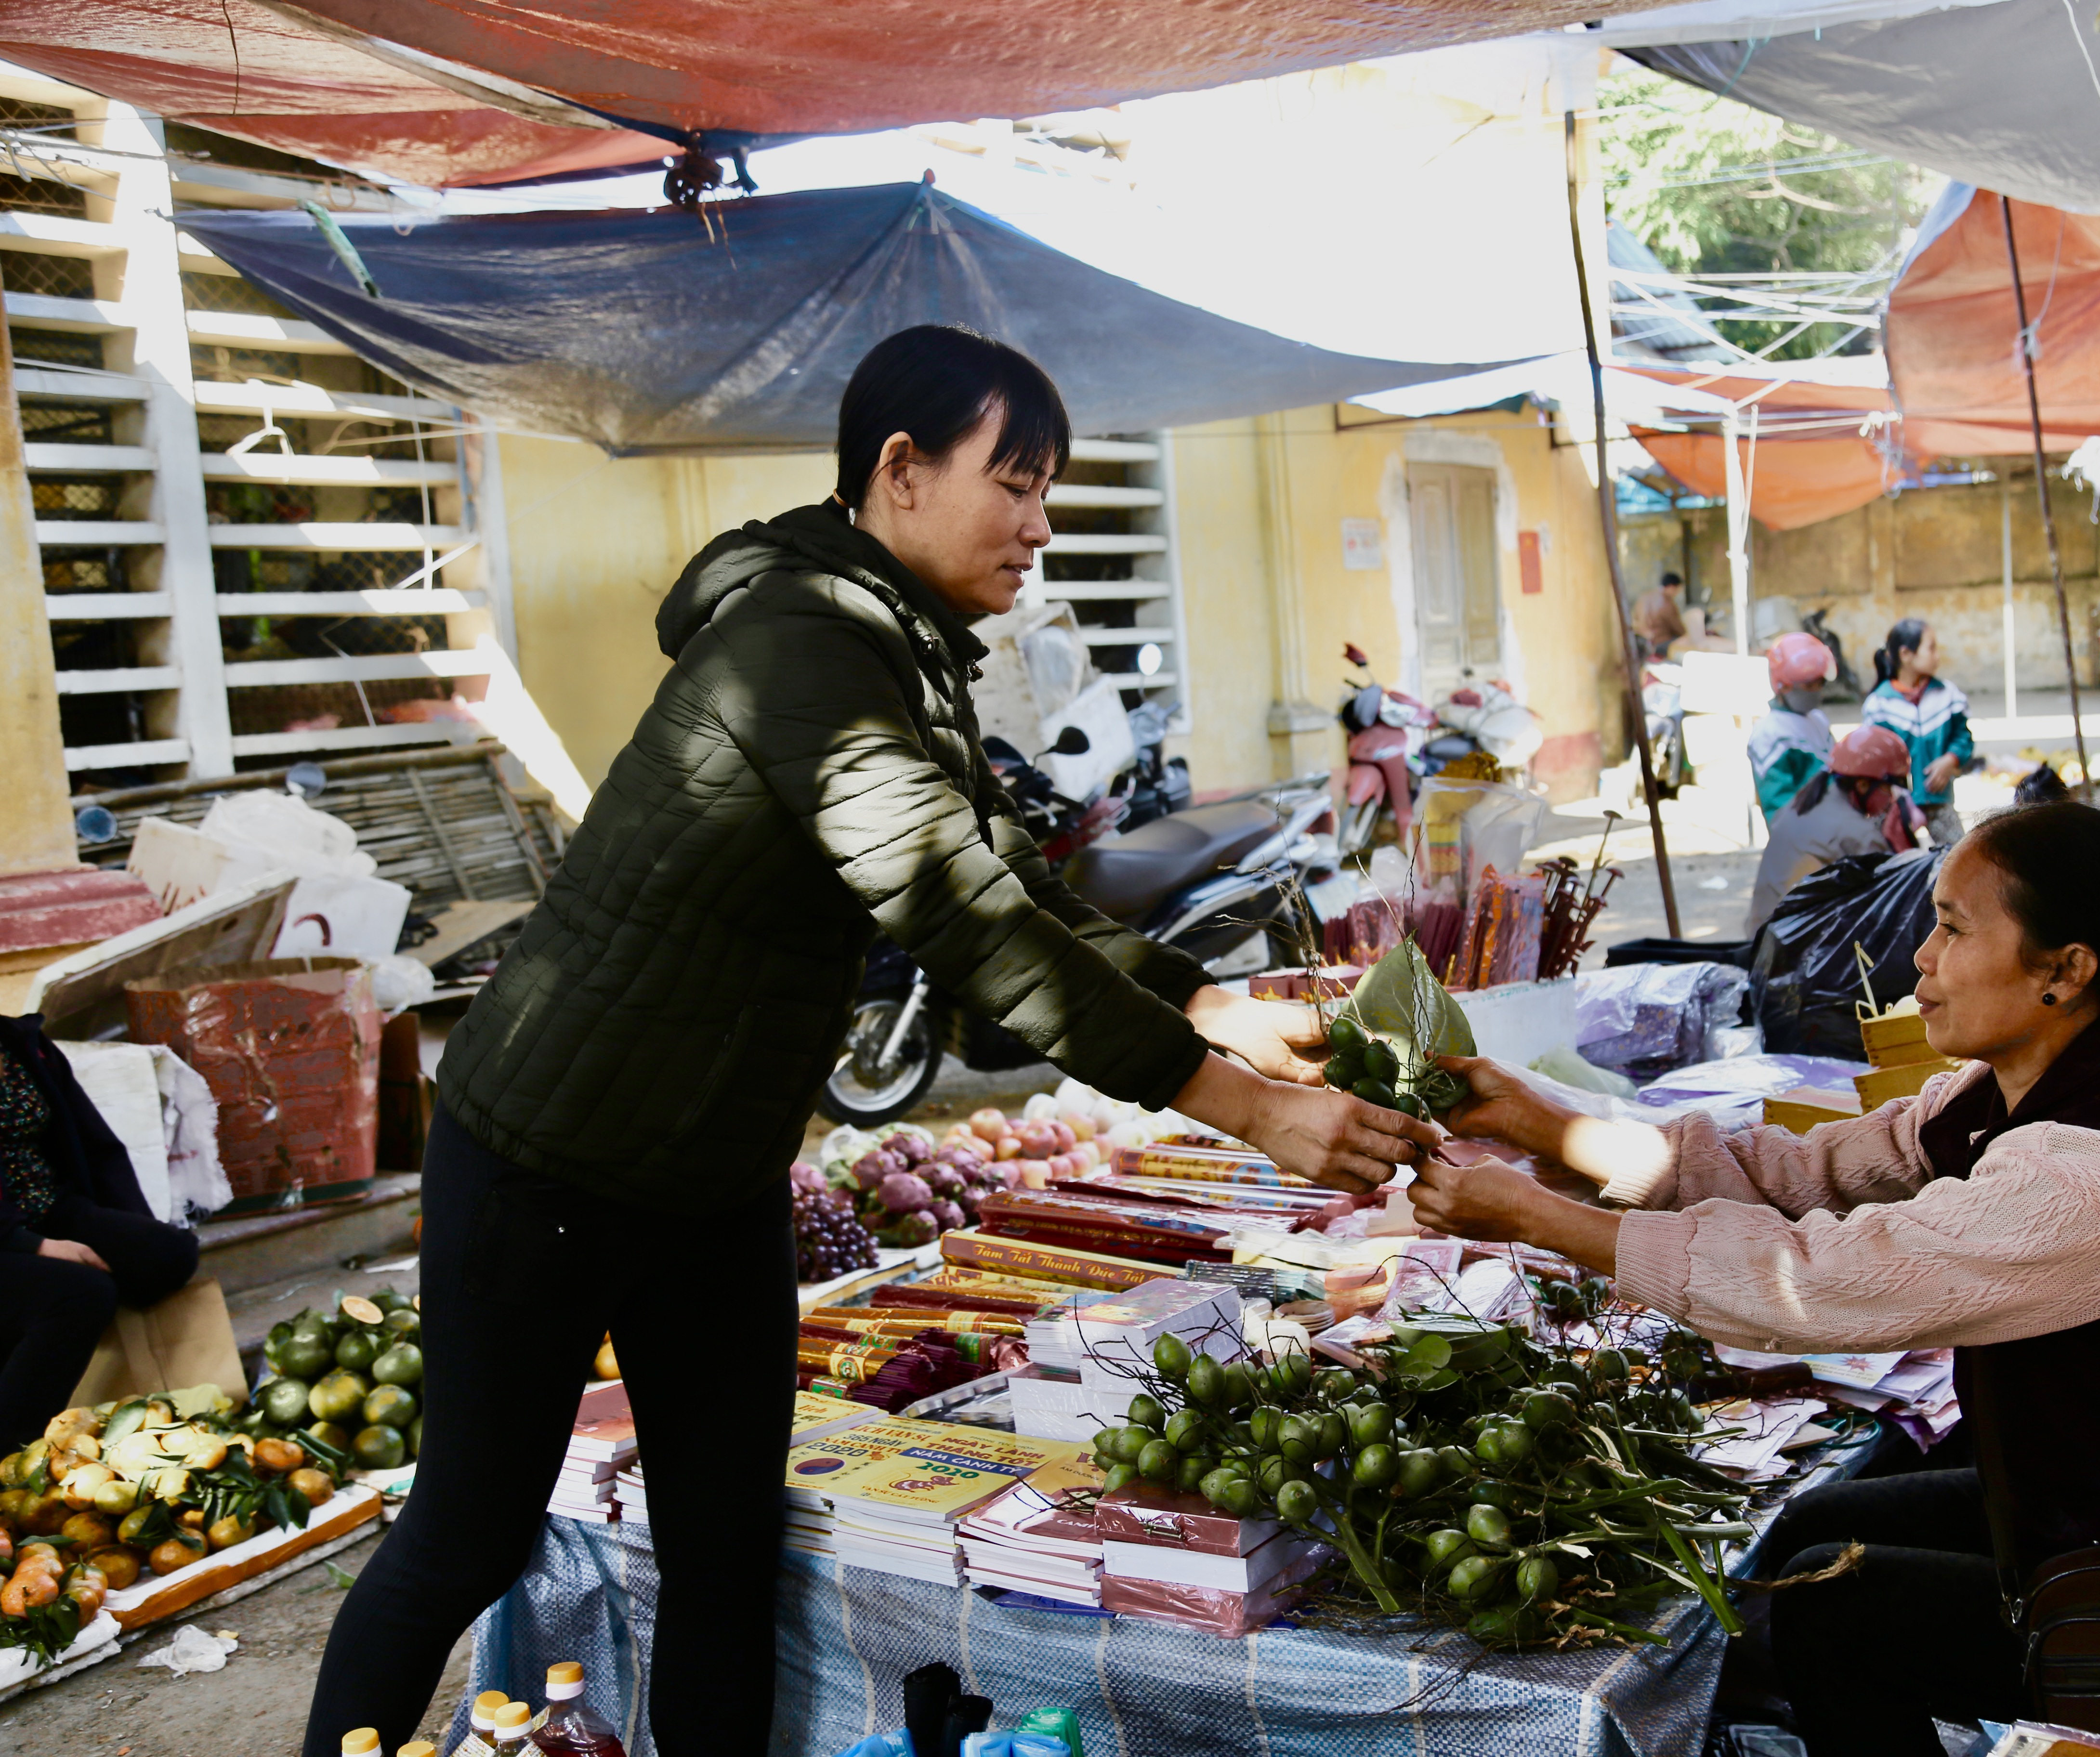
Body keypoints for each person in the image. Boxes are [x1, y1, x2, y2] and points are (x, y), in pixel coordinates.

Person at [300, 326, 1437, 1757]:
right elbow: (962, 920)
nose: (1039, 524)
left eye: (1051, 491)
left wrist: (1213, 1008)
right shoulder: (799, 651)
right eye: (1014, 483)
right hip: (549, 1167)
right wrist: (1238, 1106)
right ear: (899, 473)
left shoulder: (900, 651)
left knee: (724, 1550)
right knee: (465, 1535)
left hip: (715, 1178)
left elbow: (1014, 884)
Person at [1410, 801, 2100, 1757]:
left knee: (1838, 1608)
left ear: (2067, 971)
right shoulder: (2004, 1095)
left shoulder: (2093, 1183)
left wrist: (1539, 1219)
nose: (1920, 957)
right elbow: (1787, 1178)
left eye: (1953, 929)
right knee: (1813, 1534)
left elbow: (1816, 1282)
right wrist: (1542, 1126)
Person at [0, 1017, 201, 1451]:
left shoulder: (22, 1044)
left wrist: (132, 1227)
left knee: (166, 1254)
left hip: (48, 1206)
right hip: (6, 1232)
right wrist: (35, 1247)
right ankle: (12, 1445)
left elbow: (96, 1146)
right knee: (82, 1292)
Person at [1744, 725, 1914, 938]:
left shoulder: (1803, 804)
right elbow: (1888, 904)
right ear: (1862, 785)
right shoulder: (1858, 834)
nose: (1891, 798)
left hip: (1762, 933)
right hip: (1793, 948)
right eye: (1888, 789)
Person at [1862, 618, 1977, 847]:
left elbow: (1963, 738)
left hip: (1939, 799)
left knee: (1959, 856)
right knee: (1886, 861)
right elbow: (1873, 757)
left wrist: (1950, 759)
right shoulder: (1879, 704)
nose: (1937, 656)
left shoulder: (1948, 695)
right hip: (1893, 806)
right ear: (1906, 655)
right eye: (1931, 648)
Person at [1747, 632, 1837, 820]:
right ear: (1785, 686)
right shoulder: (1770, 733)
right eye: (1808, 685)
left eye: (1819, 683)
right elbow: (1778, 806)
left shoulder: (1818, 720)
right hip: (1806, 837)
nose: (1816, 691)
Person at [1631, 570, 1688, 659]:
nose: (1677, 593)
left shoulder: (1644, 597)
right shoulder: (1668, 604)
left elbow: (1635, 620)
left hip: (1643, 643)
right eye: (1677, 590)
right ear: (1672, 587)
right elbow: (1679, 630)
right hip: (1660, 644)